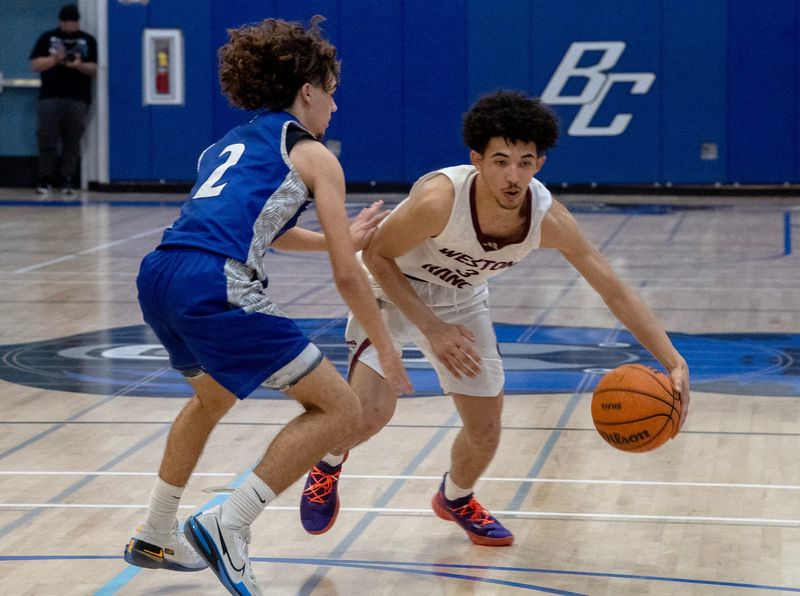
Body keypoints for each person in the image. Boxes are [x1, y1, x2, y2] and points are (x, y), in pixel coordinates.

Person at [299, 90, 691, 547]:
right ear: (477, 160)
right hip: (391, 290)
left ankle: (456, 498)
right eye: (501, 161)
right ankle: (326, 465)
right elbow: (377, 256)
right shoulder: (438, 200)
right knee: (368, 416)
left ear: (539, 165)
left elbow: (614, 289)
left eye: (525, 162)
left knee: (485, 429)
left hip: (461, 297)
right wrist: (432, 329)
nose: (513, 175)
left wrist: (673, 359)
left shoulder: (549, 220)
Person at [122, 16, 411, 595]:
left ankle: (157, 529)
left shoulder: (226, 144)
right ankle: (229, 521)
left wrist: (343, 235)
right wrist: (387, 349)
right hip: (213, 281)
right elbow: (346, 277)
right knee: (344, 411)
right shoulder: (315, 156)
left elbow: (268, 229)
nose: (335, 104)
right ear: (308, 90)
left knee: (212, 395)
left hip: (159, 272)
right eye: (331, 90)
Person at [29, 4, 97, 196]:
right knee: (47, 139)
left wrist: (78, 65)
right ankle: (45, 178)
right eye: (66, 21)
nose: (69, 25)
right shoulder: (47, 38)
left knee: (72, 140)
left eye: (73, 22)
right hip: (50, 97)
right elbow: (35, 64)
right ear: (60, 21)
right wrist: (55, 59)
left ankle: (68, 179)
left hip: (77, 98)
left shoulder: (87, 40)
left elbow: (94, 68)